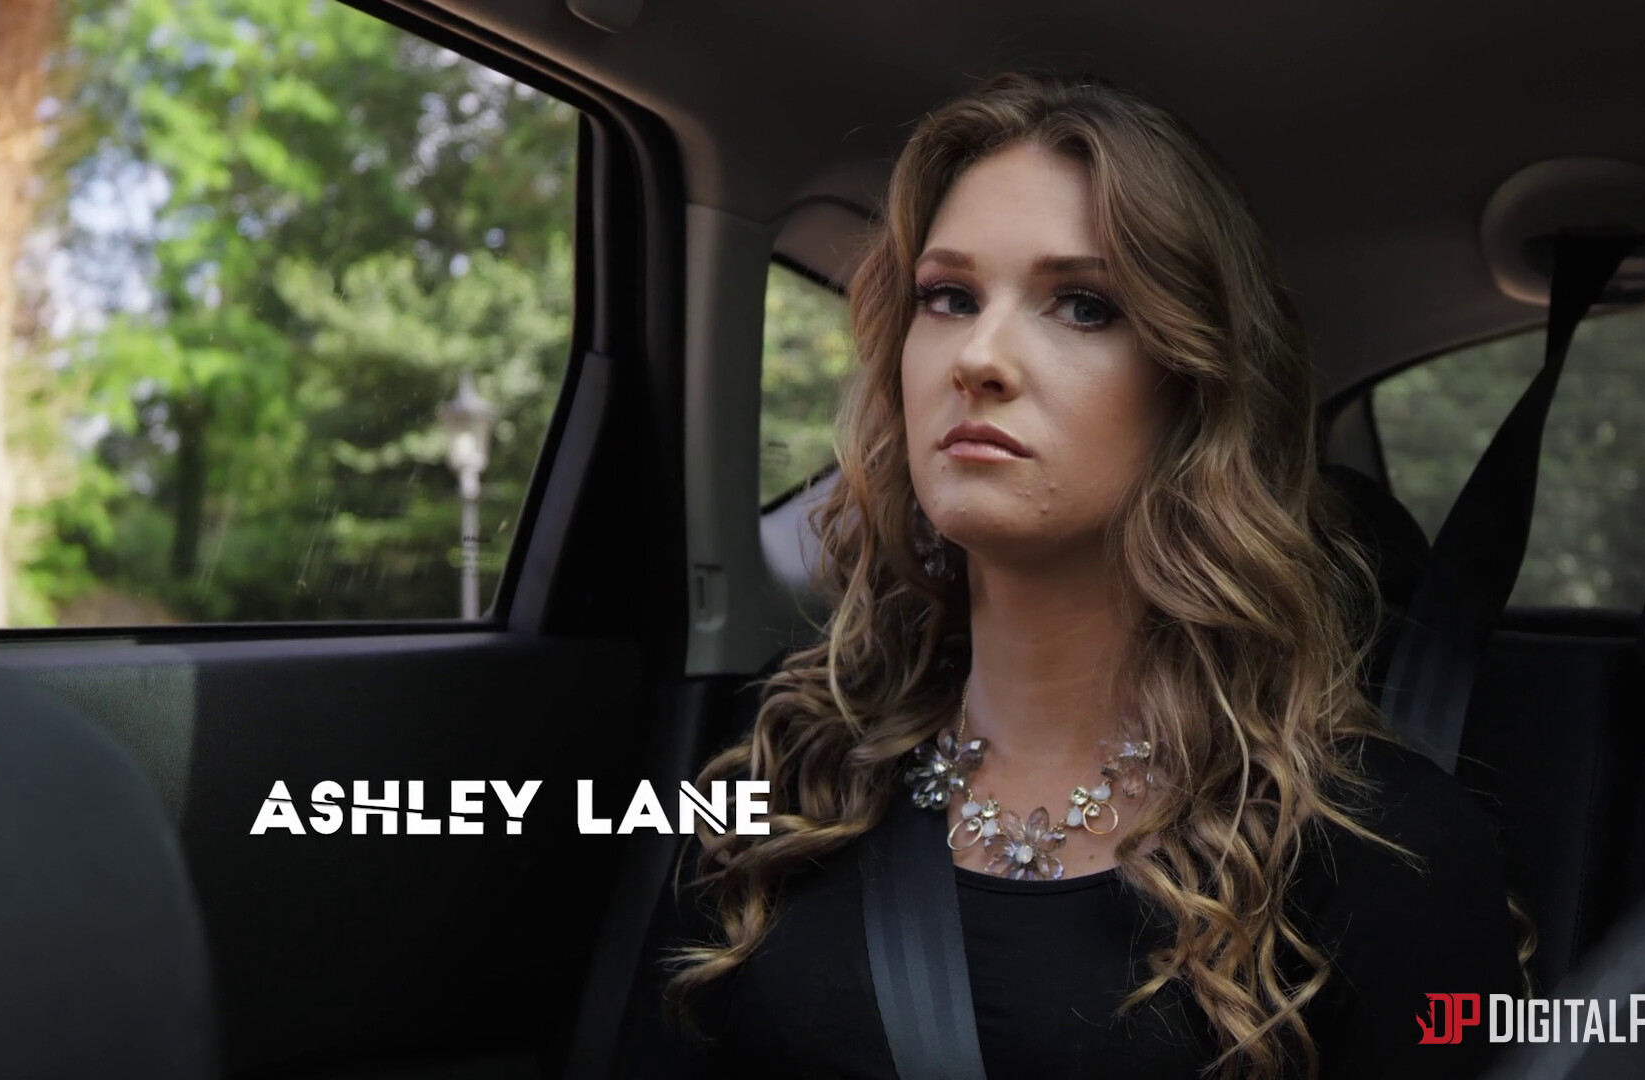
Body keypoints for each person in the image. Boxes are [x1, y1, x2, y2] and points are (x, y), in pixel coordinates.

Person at [644, 70, 1527, 1079]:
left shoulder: (1376, 844)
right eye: (949, 297)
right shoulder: (792, 765)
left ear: (1196, 389)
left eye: (1082, 305)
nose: (978, 357)